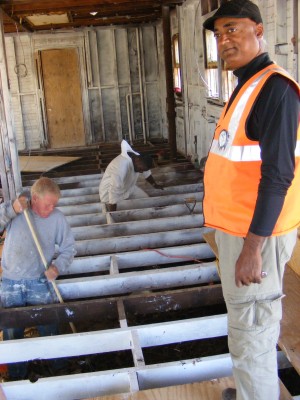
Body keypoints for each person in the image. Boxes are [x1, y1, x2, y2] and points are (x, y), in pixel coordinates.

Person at [202, 1, 300, 399]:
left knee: (253, 335)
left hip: (253, 237)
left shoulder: (275, 89)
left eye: (234, 29)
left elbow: (278, 175)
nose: (224, 40)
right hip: (240, 232)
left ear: (258, 30)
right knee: (246, 327)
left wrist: (252, 248)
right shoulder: (246, 84)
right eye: (219, 34)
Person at [0, 177, 76, 380]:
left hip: (39, 280)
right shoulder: (17, 212)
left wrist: (57, 267)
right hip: (10, 281)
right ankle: (17, 375)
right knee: (11, 330)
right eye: (47, 204)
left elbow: (69, 248)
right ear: (34, 198)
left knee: (49, 324)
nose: (51, 208)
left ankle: (58, 368)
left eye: (54, 204)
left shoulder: (57, 218)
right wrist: (11, 209)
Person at [99, 139, 163, 211]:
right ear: (137, 160)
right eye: (141, 169)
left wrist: (155, 184)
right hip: (109, 195)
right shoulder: (120, 167)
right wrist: (112, 214)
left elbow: (146, 172)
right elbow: (113, 191)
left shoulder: (138, 158)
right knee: (124, 211)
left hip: (128, 188)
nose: (141, 172)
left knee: (146, 201)